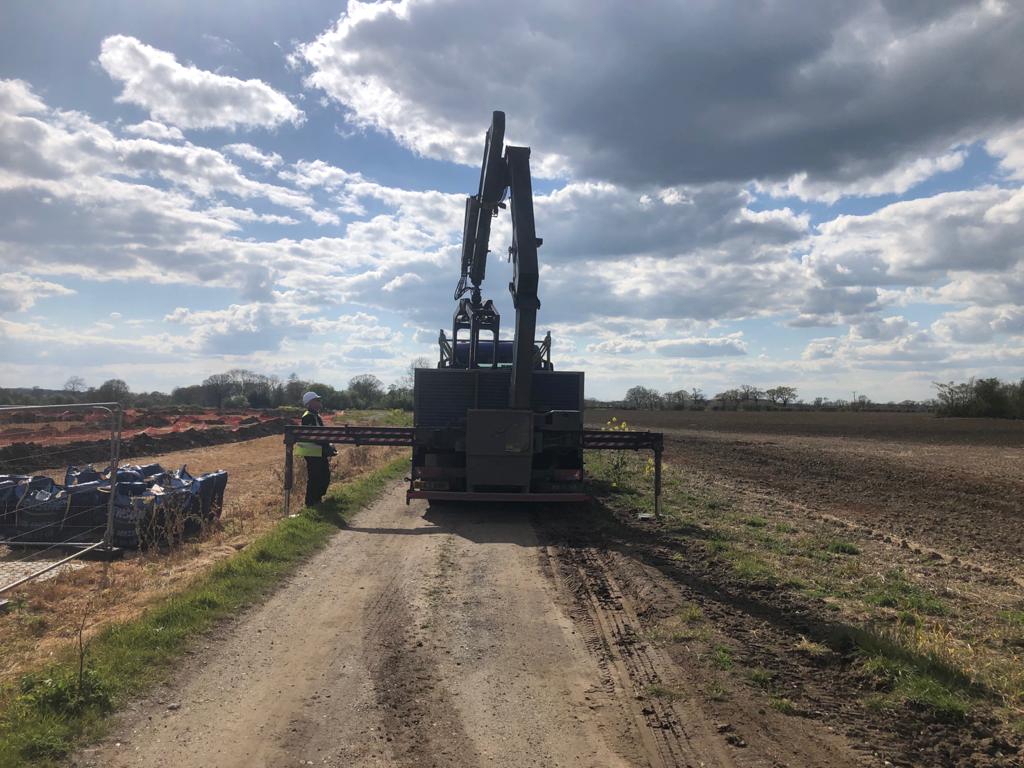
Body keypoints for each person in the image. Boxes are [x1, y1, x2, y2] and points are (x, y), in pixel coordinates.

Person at [295, 391, 335, 507]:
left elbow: (322, 434)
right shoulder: (308, 417)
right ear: (310, 403)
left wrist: (328, 445)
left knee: (324, 475)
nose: (319, 402)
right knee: (315, 477)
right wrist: (326, 446)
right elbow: (314, 436)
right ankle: (311, 503)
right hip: (311, 451)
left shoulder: (316, 416)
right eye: (316, 400)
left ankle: (317, 499)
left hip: (318, 450)